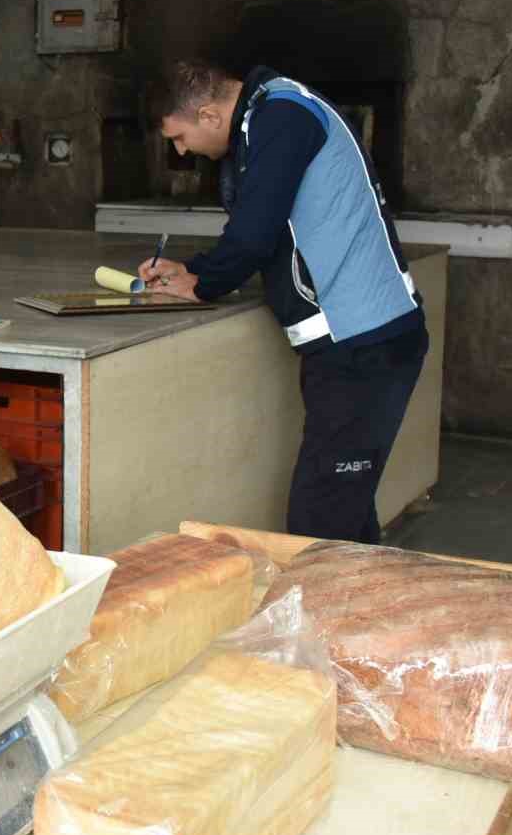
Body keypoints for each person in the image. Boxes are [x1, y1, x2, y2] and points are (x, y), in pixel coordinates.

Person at [140, 60, 429, 545]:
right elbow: (271, 230)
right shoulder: (271, 112)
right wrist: (196, 270)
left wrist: (201, 283)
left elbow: (255, 232)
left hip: (364, 346)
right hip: (360, 343)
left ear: (210, 115)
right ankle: (360, 614)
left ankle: (328, 619)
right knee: (343, 516)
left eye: (180, 137)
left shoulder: (281, 116)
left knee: (319, 523)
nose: (182, 151)